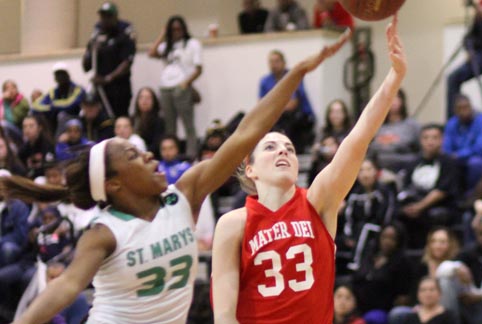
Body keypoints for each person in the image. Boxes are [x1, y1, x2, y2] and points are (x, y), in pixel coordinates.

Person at [7, 27, 352, 324]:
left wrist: (298, 73)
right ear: (114, 184)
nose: (147, 154)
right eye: (133, 156)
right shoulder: (105, 232)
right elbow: (67, 286)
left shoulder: (184, 195)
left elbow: (247, 132)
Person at [211, 18, 403, 323]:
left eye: (288, 148)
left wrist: (394, 77)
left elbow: (358, 138)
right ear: (251, 169)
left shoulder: (317, 201)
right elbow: (223, 314)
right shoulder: (233, 223)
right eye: (271, 147)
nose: (283, 151)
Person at [397, 125, 461, 248]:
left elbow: (441, 192)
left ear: (442, 140)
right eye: (426, 138)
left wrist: (419, 207)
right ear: (420, 140)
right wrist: (408, 206)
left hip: (440, 206)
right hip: (415, 203)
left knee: (431, 216)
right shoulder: (413, 163)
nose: (430, 141)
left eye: (434, 138)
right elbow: (405, 188)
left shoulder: (449, 162)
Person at [149, 15, 202, 160]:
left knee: (188, 124)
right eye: (172, 30)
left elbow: (198, 68)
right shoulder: (167, 46)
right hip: (165, 87)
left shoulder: (192, 44)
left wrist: (185, 83)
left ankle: (191, 156)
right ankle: (171, 156)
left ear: (184, 29)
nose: (176, 32)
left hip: (181, 86)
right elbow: (152, 52)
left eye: (178, 29)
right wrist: (163, 34)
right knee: (169, 127)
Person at [339, 159, 397, 272]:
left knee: (365, 228)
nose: (365, 174)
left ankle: (356, 263)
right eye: (361, 171)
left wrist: (384, 228)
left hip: (381, 229)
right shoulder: (354, 194)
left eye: (369, 170)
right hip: (358, 232)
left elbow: (388, 213)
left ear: (376, 172)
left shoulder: (384, 190)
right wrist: (348, 236)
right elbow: (349, 218)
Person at [82, 2, 136, 118]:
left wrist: (107, 78)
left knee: (118, 119)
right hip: (100, 88)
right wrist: (91, 49)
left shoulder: (124, 34)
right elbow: (86, 67)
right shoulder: (97, 34)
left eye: (108, 16)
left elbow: (127, 62)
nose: (104, 20)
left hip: (118, 88)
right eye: (102, 16)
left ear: (115, 17)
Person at [353, 223, 412, 322]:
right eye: (384, 237)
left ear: (399, 241)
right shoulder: (369, 257)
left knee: (372, 318)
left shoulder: (403, 263)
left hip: (382, 310)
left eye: (392, 238)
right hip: (357, 307)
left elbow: (402, 297)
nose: (387, 241)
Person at [260, 49, 316, 153]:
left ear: (283, 62)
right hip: (277, 116)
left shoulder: (293, 76)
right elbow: (260, 106)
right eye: (271, 62)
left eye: (276, 61)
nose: (274, 65)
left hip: (300, 117)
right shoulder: (265, 81)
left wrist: (271, 109)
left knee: (285, 122)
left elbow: (292, 104)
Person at [443, 94, 482, 190]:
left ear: (471, 107)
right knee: (446, 162)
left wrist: (459, 155)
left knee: (475, 163)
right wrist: (450, 156)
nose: (464, 111)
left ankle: (473, 193)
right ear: (455, 110)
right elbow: (446, 147)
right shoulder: (451, 123)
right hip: (456, 158)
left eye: (466, 107)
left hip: (478, 157)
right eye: (460, 108)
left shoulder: (481, 120)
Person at [368, 89, 421, 172]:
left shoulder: (412, 125)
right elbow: (369, 152)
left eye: (396, 98)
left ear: (402, 101)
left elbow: (420, 152)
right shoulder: (376, 125)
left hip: (405, 170)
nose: (393, 102)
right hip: (378, 171)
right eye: (390, 98)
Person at [32, 62, 86, 135]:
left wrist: (53, 105)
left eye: (62, 74)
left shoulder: (78, 89)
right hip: (55, 122)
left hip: (75, 119)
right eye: (57, 75)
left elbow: (70, 105)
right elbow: (36, 106)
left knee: (62, 115)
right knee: (36, 117)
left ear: (68, 75)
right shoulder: (53, 92)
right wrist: (52, 107)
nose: (60, 77)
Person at [392, 277, 457, 324]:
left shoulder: (449, 317)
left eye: (432, 290)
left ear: (440, 293)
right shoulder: (410, 318)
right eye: (423, 290)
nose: (427, 294)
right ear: (418, 294)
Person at [133, 87, 165, 158]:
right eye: (141, 97)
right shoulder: (132, 119)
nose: (144, 101)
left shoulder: (159, 121)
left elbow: (157, 144)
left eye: (148, 98)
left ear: (154, 101)